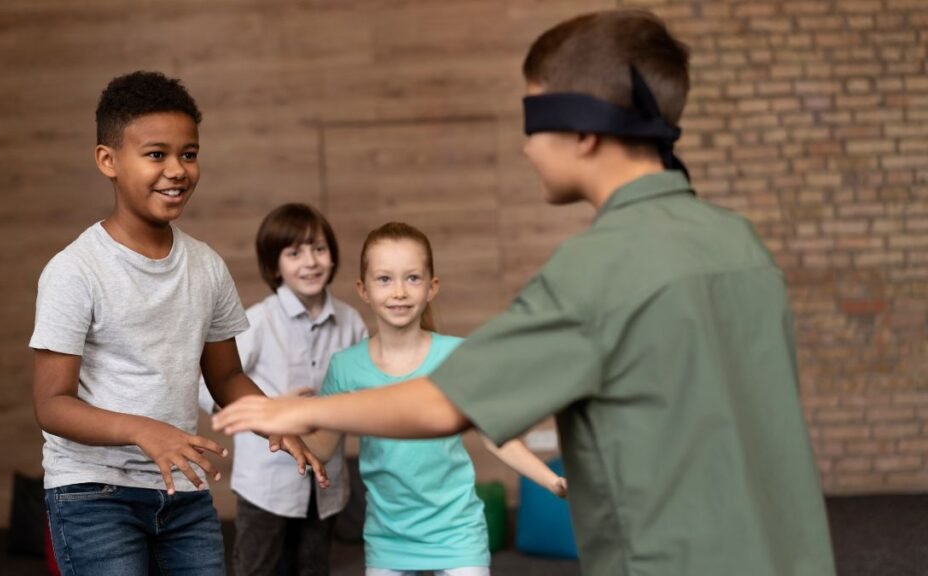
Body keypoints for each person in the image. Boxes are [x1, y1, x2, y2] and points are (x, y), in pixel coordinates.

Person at [212, 9, 836, 576]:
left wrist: (295, 410)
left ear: (584, 130)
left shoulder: (596, 270)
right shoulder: (741, 244)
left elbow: (444, 405)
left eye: (532, 119)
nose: (525, 145)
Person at [30, 71, 324, 576]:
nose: (177, 169)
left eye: (189, 154)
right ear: (108, 161)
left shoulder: (206, 266)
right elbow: (51, 404)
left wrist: (272, 418)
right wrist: (145, 431)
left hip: (183, 493)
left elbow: (226, 376)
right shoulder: (74, 270)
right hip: (93, 494)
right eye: (156, 154)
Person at [280, 222, 566, 576]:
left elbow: (496, 436)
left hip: (457, 533)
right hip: (388, 539)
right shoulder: (346, 367)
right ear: (363, 289)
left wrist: (552, 480)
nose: (399, 291)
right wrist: (291, 421)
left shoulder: (456, 357)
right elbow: (323, 446)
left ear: (432, 287)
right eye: (384, 279)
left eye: (412, 278)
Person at [198, 203, 368, 576]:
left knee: (312, 566)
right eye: (294, 253)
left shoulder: (350, 321)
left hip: (326, 481)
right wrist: (270, 408)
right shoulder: (256, 321)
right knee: (256, 567)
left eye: (319, 249)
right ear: (275, 266)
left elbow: (366, 386)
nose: (310, 261)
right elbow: (209, 386)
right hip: (266, 481)